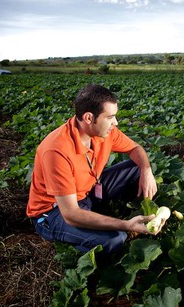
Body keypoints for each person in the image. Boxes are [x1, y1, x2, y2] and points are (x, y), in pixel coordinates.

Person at [26, 83, 164, 254]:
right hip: (54, 212)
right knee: (115, 238)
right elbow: (71, 214)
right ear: (89, 118)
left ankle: (122, 213)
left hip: (88, 192)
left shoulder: (106, 131)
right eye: (110, 117)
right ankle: (82, 248)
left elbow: (135, 148)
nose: (116, 122)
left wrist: (146, 170)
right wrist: (126, 225)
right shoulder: (56, 150)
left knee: (137, 167)